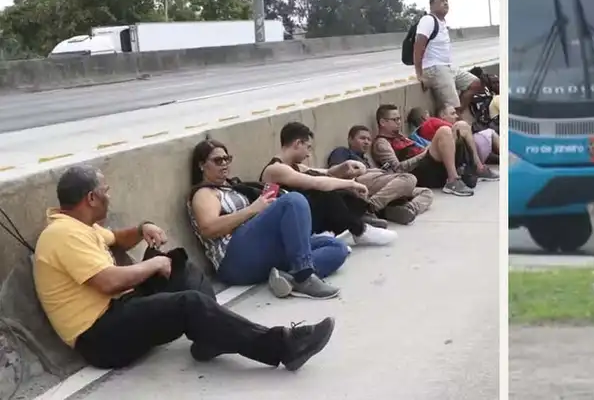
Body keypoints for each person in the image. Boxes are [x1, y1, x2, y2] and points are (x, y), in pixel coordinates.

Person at [33, 164, 334, 371]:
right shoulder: (63, 235)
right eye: (106, 190)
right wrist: (152, 264)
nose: (109, 196)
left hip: (116, 311)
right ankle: (281, 347)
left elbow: (115, 239)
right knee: (187, 302)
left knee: (177, 262)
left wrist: (142, 228)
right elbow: (108, 282)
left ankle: (212, 335)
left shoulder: (80, 226)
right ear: (91, 198)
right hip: (100, 337)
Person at [188, 139, 345, 300]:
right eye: (217, 160)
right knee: (293, 201)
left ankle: (287, 277)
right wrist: (253, 209)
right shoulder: (204, 194)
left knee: (337, 247)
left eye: (227, 159)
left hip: (258, 253)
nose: (224, 164)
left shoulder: (231, 186)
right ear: (201, 165)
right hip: (233, 259)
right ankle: (304, 275)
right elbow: (208, 229)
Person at [261, 121, 398, 246]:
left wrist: (344, 166)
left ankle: (333, 233)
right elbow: (317, 182)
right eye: (308, 147)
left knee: (348, 196)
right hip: (287, 224)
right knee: (324, 193)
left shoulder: (294, 166)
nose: (308, 154)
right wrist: (352, 184)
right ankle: (360, 231)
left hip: (304, 219)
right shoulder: (276, 169)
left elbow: (326, 173)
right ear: (297, 144)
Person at [371, 103, 477, 196]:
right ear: (383, 122)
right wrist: (425, 153)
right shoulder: (382, 143)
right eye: (395, 120)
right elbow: (397, 170)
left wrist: (427, 149)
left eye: (399, 119)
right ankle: (453, 180)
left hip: (427, 163)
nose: (399, 122)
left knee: (461, 126)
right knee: (444, 131)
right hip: (418, 173)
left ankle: (479, 167)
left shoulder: (399, 136)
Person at [412, 0, 482, 113]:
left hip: (447, 67)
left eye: (446, 1)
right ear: (432, 6)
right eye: (441, 1)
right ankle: (452, 119)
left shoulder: (442, 23)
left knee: (475, 83)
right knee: (452, 107)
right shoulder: (428, 20)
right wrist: (419, 74)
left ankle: (457, 114)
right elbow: (418, 47)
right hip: (435, 68)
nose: (445, 3)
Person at [408, 105, 500, 167]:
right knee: (489, 132)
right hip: (465, 151)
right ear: (425, 116)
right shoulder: (432, 122)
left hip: (461, 154)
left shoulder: (417, 135)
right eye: (452, 113)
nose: (456, 116)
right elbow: (462, 130)